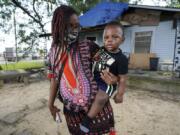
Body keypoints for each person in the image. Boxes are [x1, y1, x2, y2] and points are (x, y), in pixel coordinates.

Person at [48, 5, 119, 135]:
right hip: (72, 114)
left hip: (98, 112)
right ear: (59, 27)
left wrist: (114, 79)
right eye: (70, 26)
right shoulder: (52, 54)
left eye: (77, 26)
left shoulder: (88, 46)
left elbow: (111, 64)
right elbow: (54, 79)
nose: (75, 30)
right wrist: (50, 104)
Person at [80, 22, 128, 133]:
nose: (109, 40)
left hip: (106, 83)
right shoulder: (101, 50)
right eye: (106, 37)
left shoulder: (122, 59)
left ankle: (87, 119)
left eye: (115, 37)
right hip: (92, 77)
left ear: (123, 40)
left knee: (101, 98)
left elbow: (123, 79)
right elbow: (94, 60)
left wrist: (120, 95)